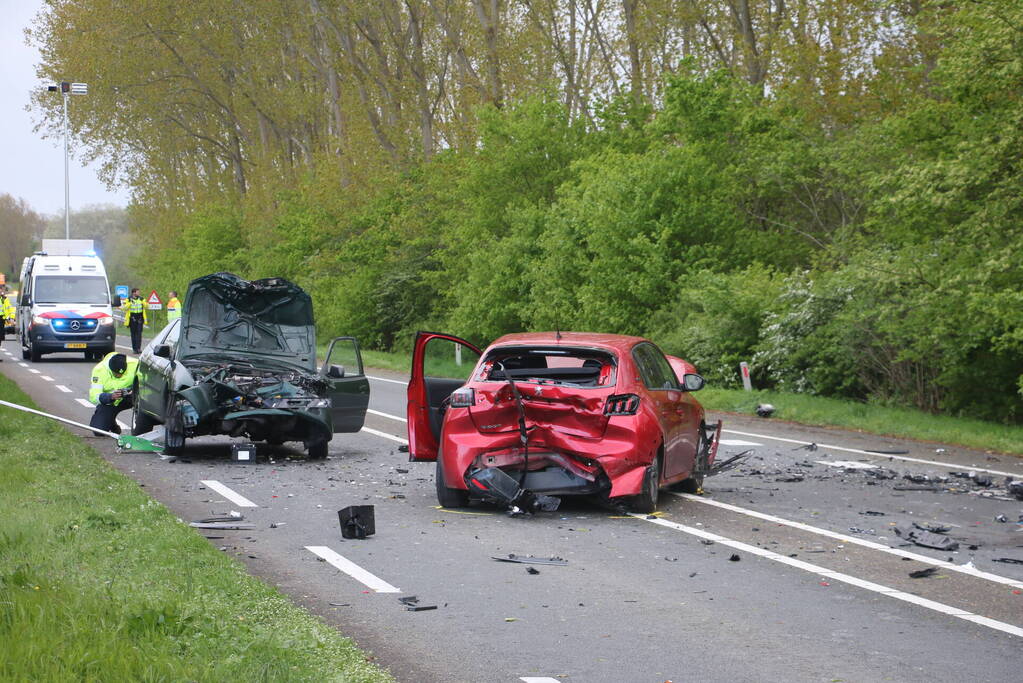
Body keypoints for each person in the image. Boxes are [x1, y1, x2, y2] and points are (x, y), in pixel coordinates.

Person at [88, 352, 138, 435]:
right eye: (116, 374)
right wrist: (110, 396)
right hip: (110, 401)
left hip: (131, 397)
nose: (119, 375)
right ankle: (112, 423)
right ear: (110, 369)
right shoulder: (99, 370)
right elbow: (94, 396)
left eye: (122, 374)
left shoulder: (136, 364)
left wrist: (133, 390)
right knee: (98, 431)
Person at [122, 287, 147, 354]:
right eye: (137, 292)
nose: (139, 293)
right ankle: (134, 349)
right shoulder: (128, 299)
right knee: (133, 334)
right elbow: (124, 308)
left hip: (140, 319)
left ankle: (138, 348)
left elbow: (147, 306)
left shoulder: (142, 299)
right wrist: (130, 303)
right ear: (133, 293)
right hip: (132, 319)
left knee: (139, 334)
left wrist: (143, 303)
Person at [0, 286, 14, 362]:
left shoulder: (4, 299)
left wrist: (10, 318)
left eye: (0, 289)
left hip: (1, 320)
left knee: (0, 338)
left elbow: (9, 309)